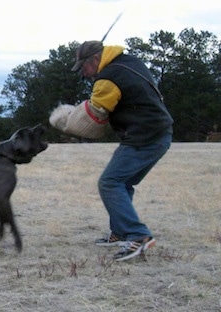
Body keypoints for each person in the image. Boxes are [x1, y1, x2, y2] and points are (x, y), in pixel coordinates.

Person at [71, 40, 174, 261]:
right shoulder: (129, 62)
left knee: (109, 182)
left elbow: (95, 117)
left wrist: (67, 120)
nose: (84, 74)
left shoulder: (107, 79)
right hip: (161, 133)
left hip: (144, 136)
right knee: (124, 182)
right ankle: (119, 232)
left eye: (84, 68)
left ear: (95, 60)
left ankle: (138, 235)